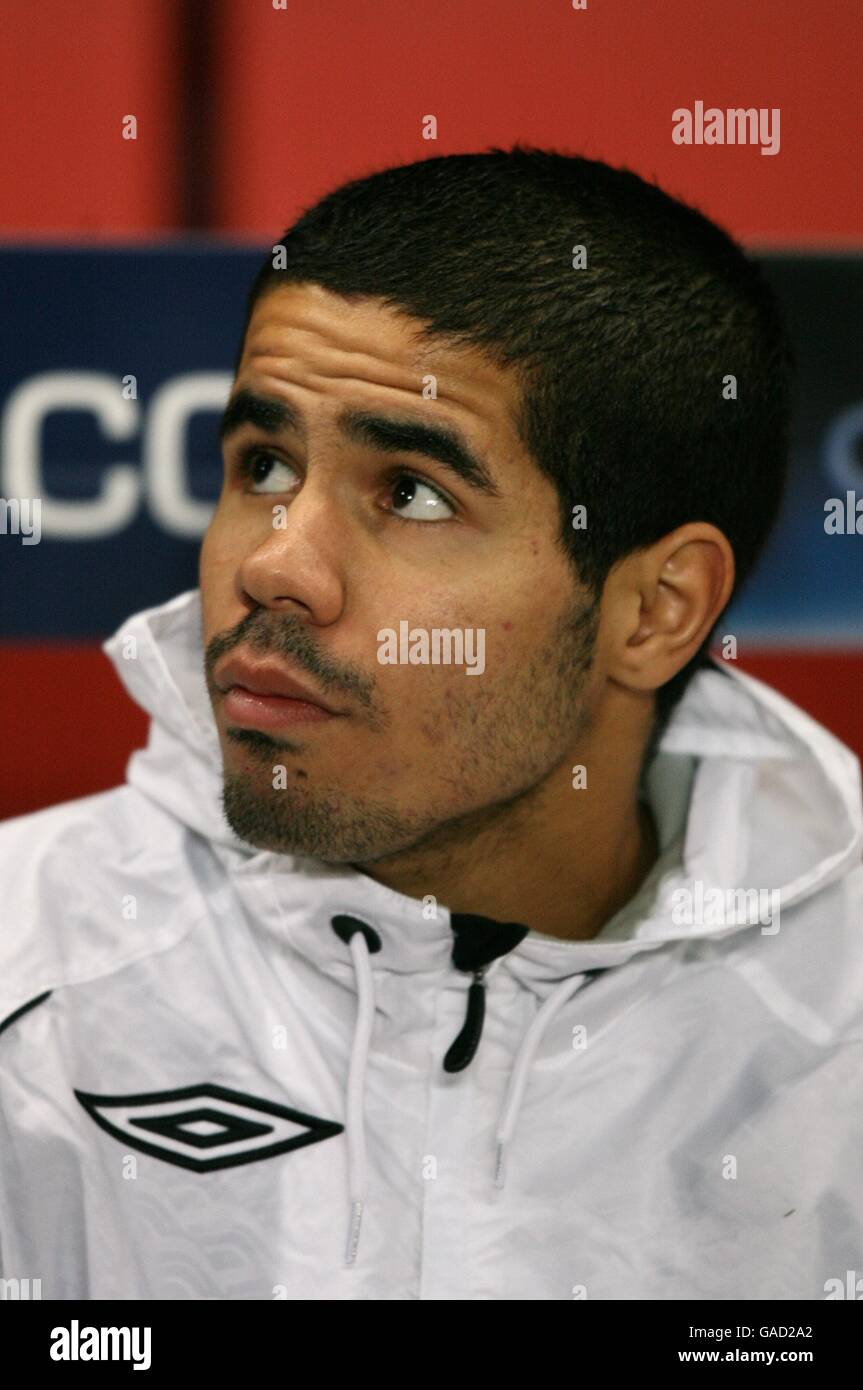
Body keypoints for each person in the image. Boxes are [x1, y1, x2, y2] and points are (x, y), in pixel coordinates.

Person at [1, 146, 861, 1301]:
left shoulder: (834, 1030)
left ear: (654, 611)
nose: (273, 563)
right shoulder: (27, 966)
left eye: (409, 490)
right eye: (263, 462)